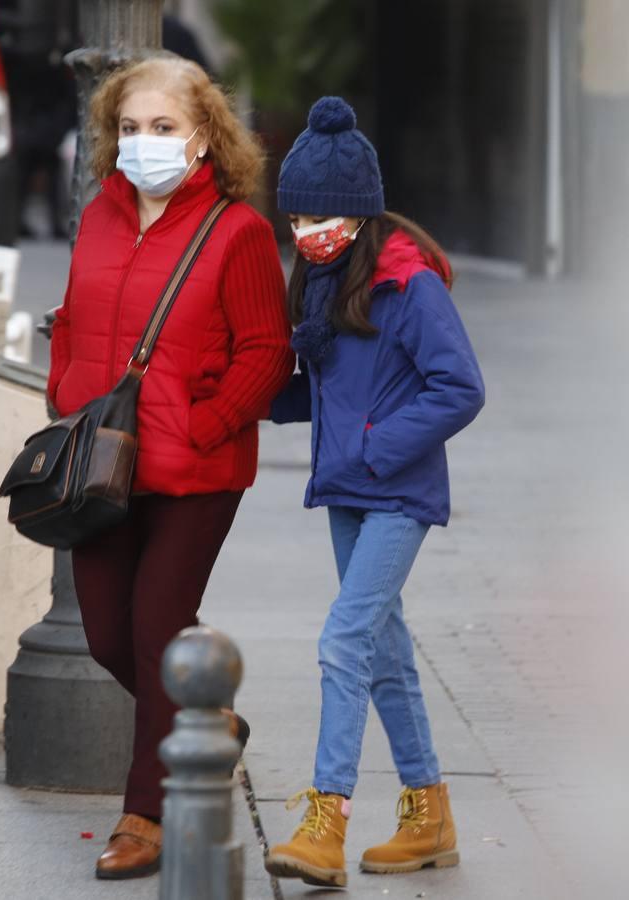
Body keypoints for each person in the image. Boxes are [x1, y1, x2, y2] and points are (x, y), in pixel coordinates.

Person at [46, 57, 293, 881]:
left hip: (195, 471)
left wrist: (205, 425)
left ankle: (144, 813)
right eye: (128, 128)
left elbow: (268, 353)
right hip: (103, 465)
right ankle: (209, 717)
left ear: (203, 138)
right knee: (109, 635)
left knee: (156, 631)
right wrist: (64, 388)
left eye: (161, 128)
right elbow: (76, 320)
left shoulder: (239, 232)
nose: (142, 143)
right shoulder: (98, 220)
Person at [264, 97, 486, 888]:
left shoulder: (409, 286)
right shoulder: (322, 279)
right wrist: (248, 392)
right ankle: (428, 816)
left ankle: (327, 818)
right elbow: (325, 388)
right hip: (350, 492)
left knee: (344, 641)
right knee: (387, 652)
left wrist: (373, 446)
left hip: (395, 493)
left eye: (323, 216)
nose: (307, 231)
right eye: (297, 216)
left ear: (359, 213)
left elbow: (460, 387)